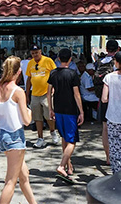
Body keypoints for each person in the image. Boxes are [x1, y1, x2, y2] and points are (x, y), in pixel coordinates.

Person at [0, 56, 36, 204]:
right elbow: (27, 121)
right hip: (15, 136)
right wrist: (30, 112)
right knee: (10, 182)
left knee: (24, 175)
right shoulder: (18, 91)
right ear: (19, 71)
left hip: (2, 135)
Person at [47, 48, 84, 184]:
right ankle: (62, 165)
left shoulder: (53, 73)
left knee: (64, 138)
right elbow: (76, 94)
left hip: (58, 109)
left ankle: (69, 166)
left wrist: (51, 109)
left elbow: (49, 92)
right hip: (70, 110)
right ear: (70, 59)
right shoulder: (73, 74)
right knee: (72, 140)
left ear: (58, 58)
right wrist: (81, 111)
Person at [25, 45, 60, 148]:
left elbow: (55, 75)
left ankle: (53, 132)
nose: (35, 55)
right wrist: (27, 94)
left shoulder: (48, 61)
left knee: (49, 115)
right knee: (37, 117)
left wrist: (54, 88)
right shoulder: (30, 63)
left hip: (47, 93)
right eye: (33, 53)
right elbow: (29, 79)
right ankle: (40, 138)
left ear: (40, 52)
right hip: (35, 94)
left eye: (36, 52)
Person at [93, 39, 119, 165]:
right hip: (116, 98)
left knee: (105, 128)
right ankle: (118, 154)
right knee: (119, 127)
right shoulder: (118, 62)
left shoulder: (99, 62)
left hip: (103, 98)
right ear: (118, 49)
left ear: (107, 49)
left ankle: (108, 157)